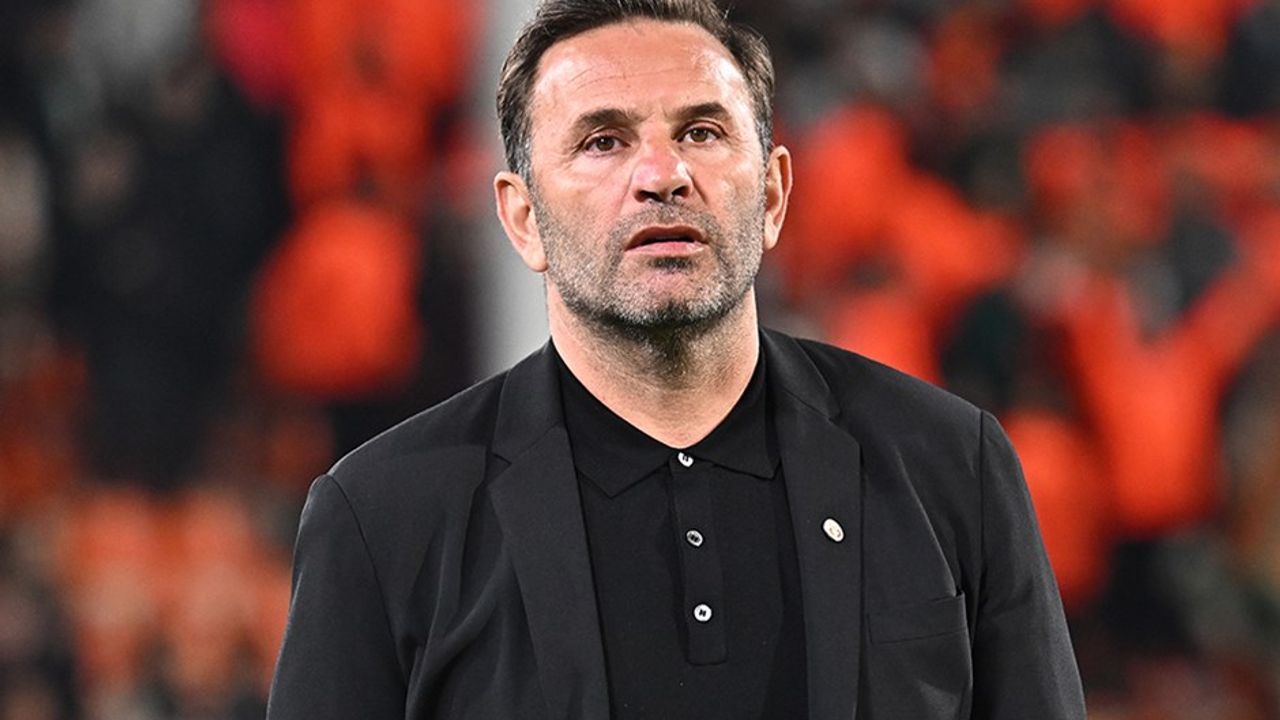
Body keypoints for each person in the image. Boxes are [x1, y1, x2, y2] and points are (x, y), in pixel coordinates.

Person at [266, 0, 1087, 718]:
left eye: (701, 131)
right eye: (603, 141)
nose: (662, 175)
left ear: (773, 195)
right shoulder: (381, 518)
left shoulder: (952, 466)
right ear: (523, 220)